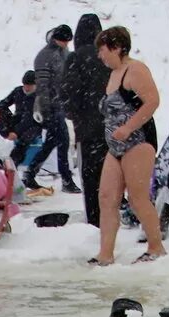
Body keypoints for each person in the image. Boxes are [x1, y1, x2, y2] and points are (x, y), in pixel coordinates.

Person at [92, 26, 167, 265]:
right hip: (115, 147)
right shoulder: (114, 73)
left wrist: (128, 127)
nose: (100, 56)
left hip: (138, 142)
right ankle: (105, 254)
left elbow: (153, 101)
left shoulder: (135, 70)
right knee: (106, 197)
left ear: (117, 47)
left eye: (102, 50)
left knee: (137, 198)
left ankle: (156, 248)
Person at [59, 14, 111, 226]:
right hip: (111, 127)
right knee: (111, 176)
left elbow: (68, 93)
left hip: (87, 128)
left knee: (91, 178)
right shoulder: (107, 56)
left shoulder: (75, 58)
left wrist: (74, 114)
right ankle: (113, 217)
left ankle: (95, 221)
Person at [29, 24, 81, 194]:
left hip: (60, 104)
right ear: (56, 38)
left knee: (52, 142)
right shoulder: (44, 56)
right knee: (63, 141)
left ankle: (30, 172)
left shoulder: (63, 52)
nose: (66, 44)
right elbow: (42, 85)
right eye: (64, 41)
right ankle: (66, 179)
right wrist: (46, 108)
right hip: (51, 106)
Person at [0, 71, 45, 190]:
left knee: (24, 141)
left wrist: (16, 132)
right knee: (2, 111)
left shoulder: (38, 97)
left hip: (33, 124)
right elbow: (5, 102)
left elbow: (29, 118)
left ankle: (21, 171)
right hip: (18, 120)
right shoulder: (18, 91)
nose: (26, 88)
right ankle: (11, 168)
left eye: (29, 86)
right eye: (25, 85)